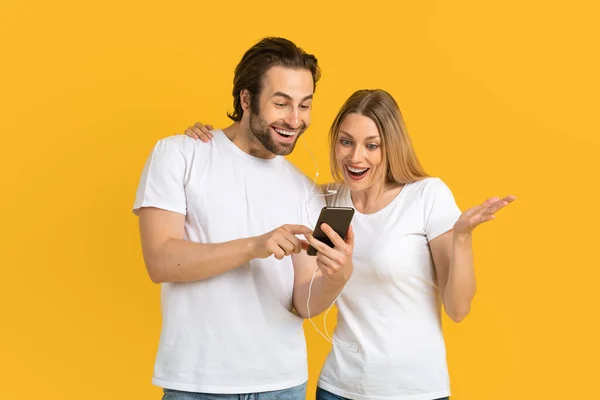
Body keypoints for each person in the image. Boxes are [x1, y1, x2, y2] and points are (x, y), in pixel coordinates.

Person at [184, 89, 515, 400]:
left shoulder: (427, 196)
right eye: (346, 142)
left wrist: (462, 237)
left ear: (392, 146)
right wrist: (217, 144)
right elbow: (263, 175)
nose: (356, 157)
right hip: (337, 388)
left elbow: (458, 309)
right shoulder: (323, 200)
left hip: (413, 391)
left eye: (372, 145)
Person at [132, 37, 354, 400]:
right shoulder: (180, 155)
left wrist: (338, 276)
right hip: (198, 385)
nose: (294, 120)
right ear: (246, 99)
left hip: (284, 384)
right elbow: (160, 261)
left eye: (304, 105)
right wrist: (254, 246)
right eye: (281, 103)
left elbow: (304, 303)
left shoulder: (304, 188)